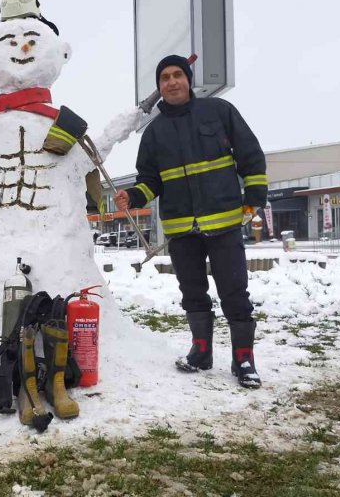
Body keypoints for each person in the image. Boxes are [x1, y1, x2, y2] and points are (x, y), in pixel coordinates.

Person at [114, 56, 267, 388]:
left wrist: (254, 195)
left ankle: (244, 358)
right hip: (182, 229)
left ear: (189, 79)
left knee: (234, 293)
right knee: (193, 293)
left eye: (177, 75)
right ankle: (201, 351)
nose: (171, 82)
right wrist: (134, 196)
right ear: (159, 86)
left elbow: (250, 155)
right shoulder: (153, 133)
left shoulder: (219, 112)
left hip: (224, 223)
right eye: (165, 77)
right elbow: (150, 180)